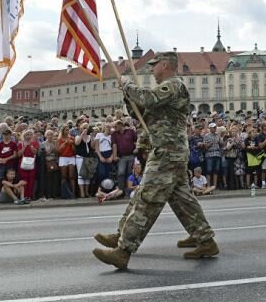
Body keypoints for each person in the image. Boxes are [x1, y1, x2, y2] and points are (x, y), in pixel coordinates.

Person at [93, 51, 218, 270]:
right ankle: (205, 240)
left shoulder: (173, 85)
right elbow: (142, 111)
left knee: (147, 200)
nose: (151, 68)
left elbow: (148, 99)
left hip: (167, 153)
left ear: (166, 66)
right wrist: (127, 94)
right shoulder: (166, 89)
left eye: (154, 65)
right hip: (168, 152)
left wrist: (129, 85)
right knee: (182, 199)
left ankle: (123, 250)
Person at [112, 119, 137, 194]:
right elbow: (114, 145)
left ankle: (127, 191)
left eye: (115, 126)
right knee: (121, 172)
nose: (114, 128)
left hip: (131, 155)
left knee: (129, 173)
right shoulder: (114, 134)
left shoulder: (131, 131)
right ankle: (121, 190)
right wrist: (115, 156)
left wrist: (136, 149)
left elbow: (136, 141)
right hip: (121, 157)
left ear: (120, 125)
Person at [17, 129, 39, 200]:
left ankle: (30, 196)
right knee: (24, 179)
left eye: (30, 134)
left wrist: (31, 146)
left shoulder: (34, 143)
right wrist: (25, 146)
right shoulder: (20, 143)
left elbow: (35, 152)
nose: (29, 136)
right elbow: (19, 154)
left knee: (31, 179)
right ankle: (24, 195)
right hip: (22, 163)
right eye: (27, 134)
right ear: (24, 135)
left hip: (31, 162)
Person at [75, 123, 94, 198]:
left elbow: (92, 147)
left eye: (86, 128)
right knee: (81, 175)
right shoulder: (78, 136)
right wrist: (82, 134)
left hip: (88, 157)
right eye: (84, 128)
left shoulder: (89, 137)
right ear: (81, 129)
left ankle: (86, 192)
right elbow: (77, 143)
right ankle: (82, 192)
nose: (85, 129)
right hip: (80, 157)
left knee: (87, 175)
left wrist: (92, 138)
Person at [203, 122, 223, 190]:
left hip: (217, 154)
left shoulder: (218, 135)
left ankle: (214, 185)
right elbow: (205, 147)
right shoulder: (206, 136)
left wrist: (221, 138)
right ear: (210, 128)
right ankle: (208, 185)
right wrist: (211, 143)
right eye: (214, 127)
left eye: (215, 127)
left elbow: (221, 144)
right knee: (209, 170)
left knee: (216, 171)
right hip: (209, 154)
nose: (215, 129)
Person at [57, 125, 76, 197]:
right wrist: (65, 143)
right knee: (63, 176)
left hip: (71, 157)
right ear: (63, 131)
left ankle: (73, 193)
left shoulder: (72, 138)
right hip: (63, 158)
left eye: (68, 130)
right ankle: (64, 193)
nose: (67, 131)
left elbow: (74, 151)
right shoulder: (59, 139)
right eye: (66, 130)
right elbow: (58, 151)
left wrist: (72, 144)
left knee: (71, 176)